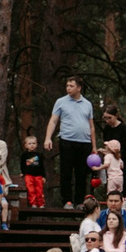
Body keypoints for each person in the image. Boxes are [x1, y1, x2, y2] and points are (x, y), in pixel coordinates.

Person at [42, 76, 95, 207]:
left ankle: (80, 201)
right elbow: (53, 121)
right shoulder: (61, 102)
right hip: (67, 141)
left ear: (79, 88)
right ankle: (67, 201)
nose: (68, 88)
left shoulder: (87, 104)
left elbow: (91, 126)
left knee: (81, 173)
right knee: (66, 171)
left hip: (84, 142)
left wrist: (94, 146)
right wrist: (48, 138)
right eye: (67, 86)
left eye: (71, 86)